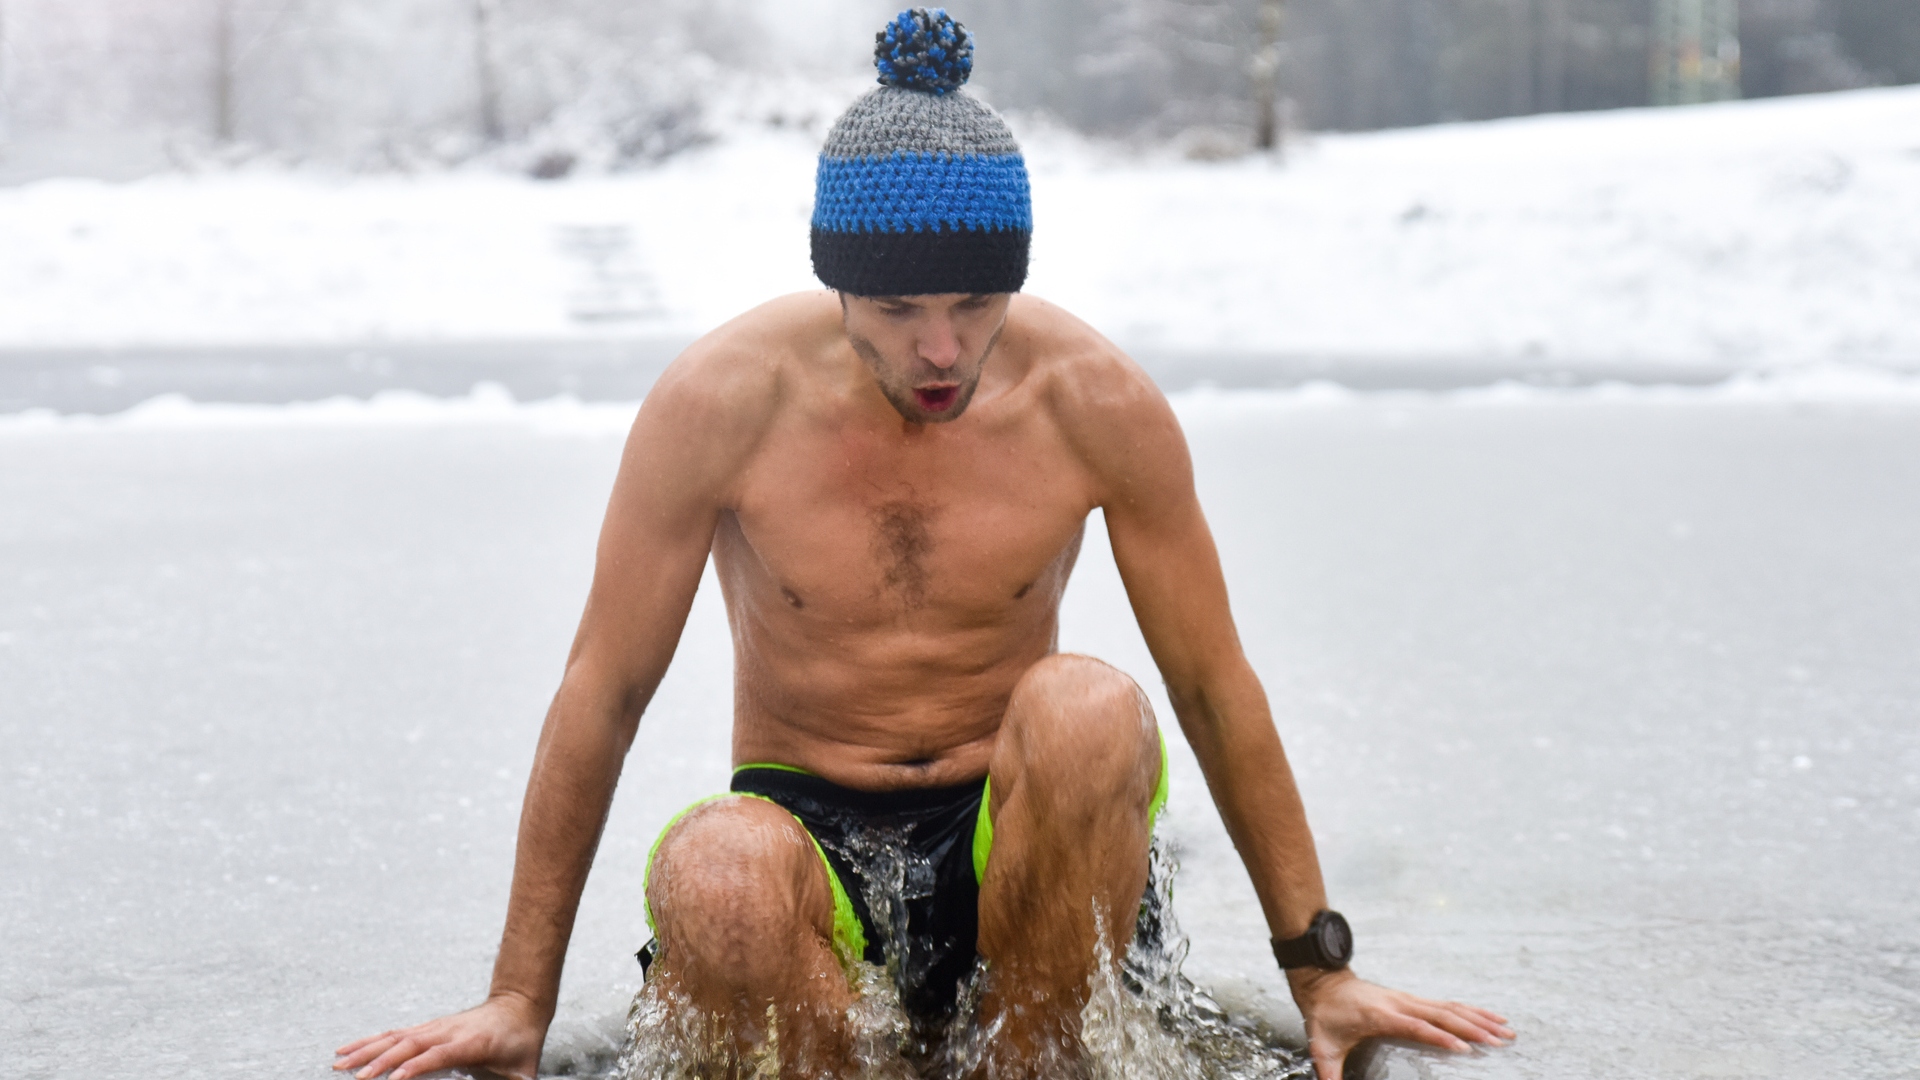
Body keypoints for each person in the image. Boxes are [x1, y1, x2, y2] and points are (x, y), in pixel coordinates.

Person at [334, 9, 1512, 1079]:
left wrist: (1323, 969)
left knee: (1092, 709)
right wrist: (516, 996)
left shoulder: (1094, 402)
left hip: (1022, 847)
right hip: (808, 833)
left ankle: (1038, 1060)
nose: (942, 350)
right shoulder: (720, 402)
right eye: (899, 313)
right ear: (839, 286)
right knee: (717, 873)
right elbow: (605, 690)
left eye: (973, 307)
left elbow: (1211, 687)